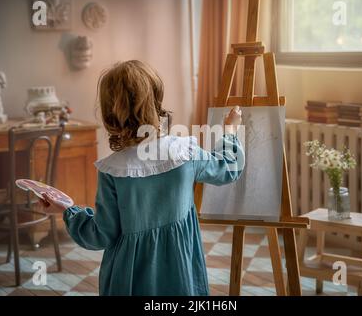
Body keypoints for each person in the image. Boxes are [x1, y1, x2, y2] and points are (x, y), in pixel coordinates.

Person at [39, 60, 244, 295]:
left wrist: (68, 210)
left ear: (111, 113)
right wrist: (230, 130)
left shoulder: (114, 170)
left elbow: (100, 235)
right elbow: (228, 167)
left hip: (128, 278)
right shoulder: (185, 153)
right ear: (156, 101)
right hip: (180, 273)